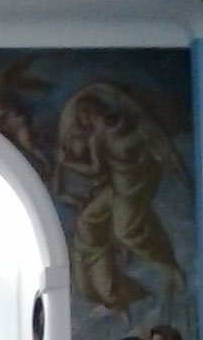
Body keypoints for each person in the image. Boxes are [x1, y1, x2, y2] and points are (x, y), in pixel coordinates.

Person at [55, 84, 187, 312]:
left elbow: (152, 146)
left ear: (91, 112)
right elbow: (96, 170)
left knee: (126, 231)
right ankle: (115, 280)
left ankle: (170, 265)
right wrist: (66, 163)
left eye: (83, 116)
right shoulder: (98, 137)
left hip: (137, 184)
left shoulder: (129, 122)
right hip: (120, 187)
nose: (83, 123)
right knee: (89, 220)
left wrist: (67, 163)